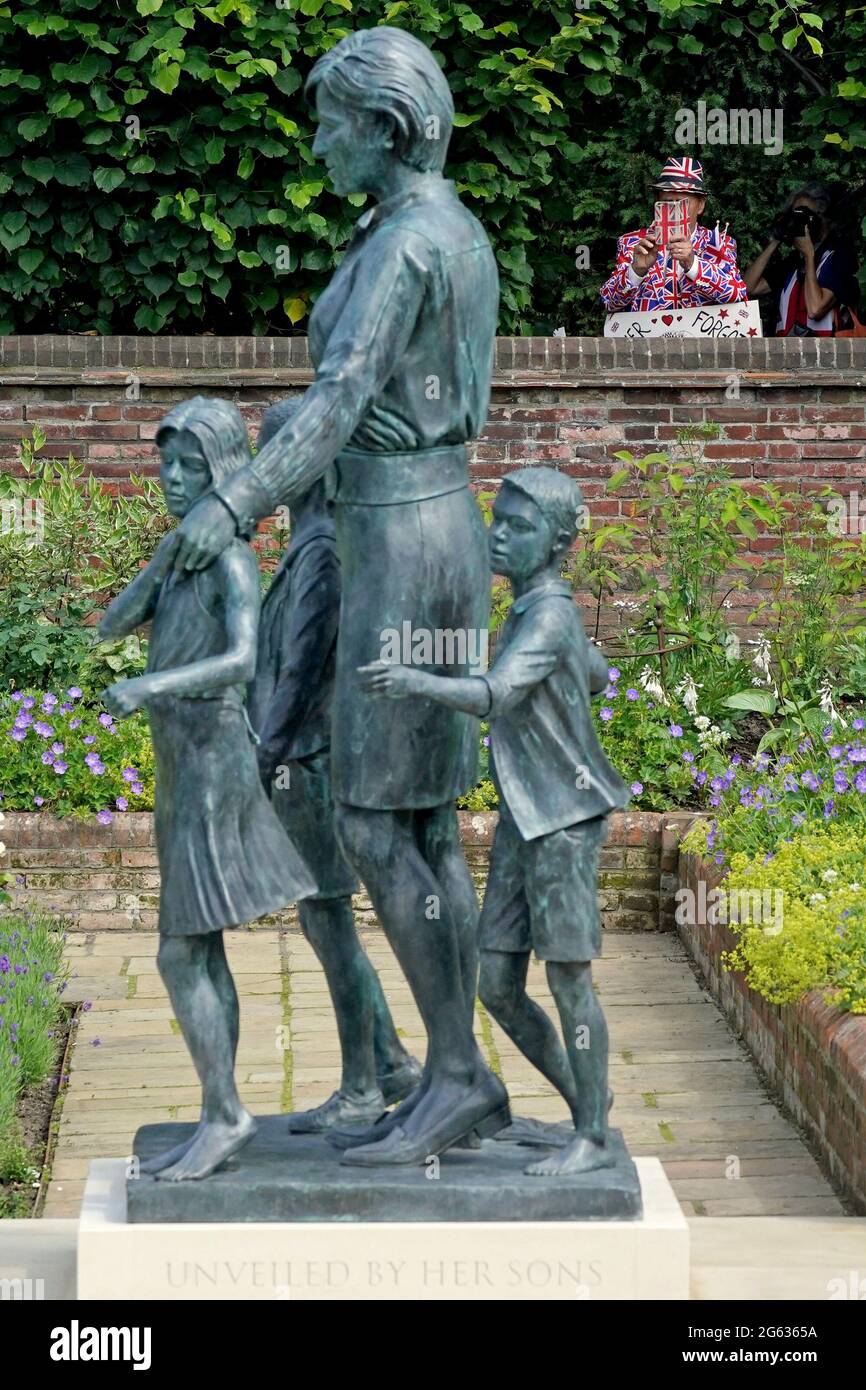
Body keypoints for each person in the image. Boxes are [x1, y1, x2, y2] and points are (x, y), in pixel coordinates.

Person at [163, 27, 509, 1166]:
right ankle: (452, 1073)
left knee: (373, 816)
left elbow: (343, 395)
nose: (318, 145)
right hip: (424, 527)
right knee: (421, 823)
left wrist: (237, 501)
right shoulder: (435, 230)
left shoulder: (414, 242)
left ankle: (453, 1071)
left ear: (391, 129)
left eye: (331, 124)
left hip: (399, 536)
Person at [359, 467, 629, 1177]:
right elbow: (597, 672)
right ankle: (585, 1108)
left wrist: (411, 680)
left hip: (564, 822)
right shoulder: (537, 613)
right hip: (525, 816)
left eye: (516, 526)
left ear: (558, 541)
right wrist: (575, 667)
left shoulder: (546, 615)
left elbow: (497, 694)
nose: (496, 535)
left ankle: (594, 1136)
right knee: (499, 986)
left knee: (568, 978)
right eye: (495, 520)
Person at [99, 397, 317, 1182]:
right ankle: (219, 1108)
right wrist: (160, 559)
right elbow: (111, 625)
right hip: (182, 765)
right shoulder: (184, 553)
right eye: (167, 465)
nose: (174, 480)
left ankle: (225, 1113)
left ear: (224, 472)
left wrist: (151, 689)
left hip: (214, 763)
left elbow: (243, 661)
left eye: (193, 467)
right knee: (195, 947)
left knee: (179, 950)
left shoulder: (231, 559)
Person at [248, 398, 422, 1133]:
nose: (265, 470)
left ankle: (361, 1087)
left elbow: (301, 675)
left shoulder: (320, 549)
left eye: (274, 454)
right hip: (295, 761)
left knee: (328, 919)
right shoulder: (310, 545)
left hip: (302, 763)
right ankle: (388, 1064)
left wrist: (264, 754)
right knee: (324, 923)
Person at [600, 156, 747, 313]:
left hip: (700, 336)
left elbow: (737, 293)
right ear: (657, 203)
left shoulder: (718, 242)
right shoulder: (633, 243)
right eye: (668, 202)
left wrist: (694, 264)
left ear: (701, 205)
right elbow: (608, 302)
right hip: (646, 336)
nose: (675, 210)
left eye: (683, 202)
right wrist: (636, 270)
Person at [743, 181, 860, 336]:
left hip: (827, 355)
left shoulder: (839, 257)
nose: (800, 222)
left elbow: (815, 309)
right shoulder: (793, 263)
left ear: (823, 219)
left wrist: (809, 256)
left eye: (804, 215)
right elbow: (747, 287)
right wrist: (777, 239)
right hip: (787, 354)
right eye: (795, 215)